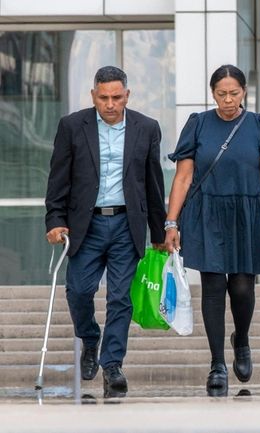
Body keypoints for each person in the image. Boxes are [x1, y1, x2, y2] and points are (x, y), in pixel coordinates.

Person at [165, 64, 260, 396]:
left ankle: (241, 339)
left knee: (244, 289)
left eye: (234, 93)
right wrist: (171, 222)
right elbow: (184, 177)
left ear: (244, 92)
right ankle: (217, 363)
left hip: (249, 213)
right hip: (208, 213)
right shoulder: (199, 125)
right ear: (212, 93)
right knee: (214, 287)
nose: (228, 100)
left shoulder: (259, 125)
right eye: (221, 94)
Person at [45, 66, 166, 397]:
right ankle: (89, 337)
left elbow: (153, 183)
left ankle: (112, 364)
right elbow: (58, 179)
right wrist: (55, 219)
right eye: (103, 98)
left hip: (127, 225)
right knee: (79, 290)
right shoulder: (72, 126)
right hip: (87, 224)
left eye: (116, 97)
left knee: (120, 297)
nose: (110, 104)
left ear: (127, 95)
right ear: (93, 96)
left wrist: (161, 230)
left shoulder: (146, 128)